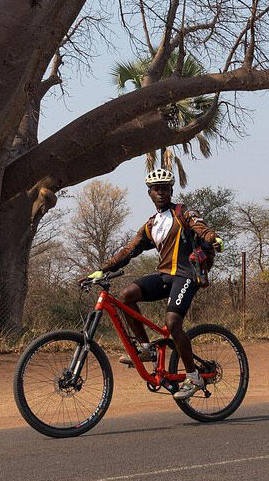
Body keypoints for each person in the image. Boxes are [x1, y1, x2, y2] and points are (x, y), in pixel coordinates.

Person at [86, 169, 224, 401]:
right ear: (149, 193)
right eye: (156, 189)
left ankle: (194, 377)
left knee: (172, 323)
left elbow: (202, 229)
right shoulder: (151, 225)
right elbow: (129, 250)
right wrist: (103, 269)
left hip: (186, 275)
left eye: (165, 188)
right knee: (126, 296)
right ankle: (146, 348)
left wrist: (214, 238)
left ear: (171, 190)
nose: (160, 193)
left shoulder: (183, 213)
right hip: (164, 276)